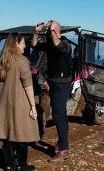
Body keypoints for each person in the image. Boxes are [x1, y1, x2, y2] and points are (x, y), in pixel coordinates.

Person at [0, 32, 39, 171]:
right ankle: (21, 165)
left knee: (7, 133)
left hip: (4, 102)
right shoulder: (22, 61)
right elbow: (27, 85)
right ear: (16, 43)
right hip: (19, 102)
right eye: (23, 42)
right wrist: (33, 106)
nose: (25, 45)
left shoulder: (1, 61)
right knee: (21, 134)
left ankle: (9, 165)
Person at [31, 20, 73, 162]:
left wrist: (53, 29)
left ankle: (64, 149)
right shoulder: (49, 43)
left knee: (58, 115)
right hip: (54, 83)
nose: (48, 33)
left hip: (62, 84)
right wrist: (37, 32)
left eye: (51, 30)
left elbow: (58, 45)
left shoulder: (65, 43)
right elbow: (34, 45)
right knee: (60, 114)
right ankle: (63, 143)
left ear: (57, 31)